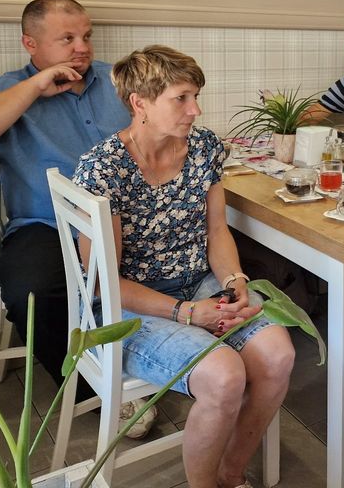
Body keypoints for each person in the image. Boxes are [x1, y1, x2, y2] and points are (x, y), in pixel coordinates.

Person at [73, 46, 295, 488]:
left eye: (195, 96)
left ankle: (231, 473)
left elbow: (217, 231)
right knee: (224, 376)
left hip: (200, 284)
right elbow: (103, 283)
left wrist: (234, 280)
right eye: (181, 98)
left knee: (278, 355)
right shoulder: (103, 168)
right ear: (139, 103)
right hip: (127, 307)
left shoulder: (204, 147)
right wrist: (187, 313)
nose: (196, 110)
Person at [0, 0, 157, 435]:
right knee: (30, 291)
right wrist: (36, 86)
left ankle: (173, 358)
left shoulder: (117, 81)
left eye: (86, 36)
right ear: (30, 43)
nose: (82, 47)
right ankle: (93, 390)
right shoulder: (5, 90)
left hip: (129, 219)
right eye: (67, 39)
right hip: (46, 226)